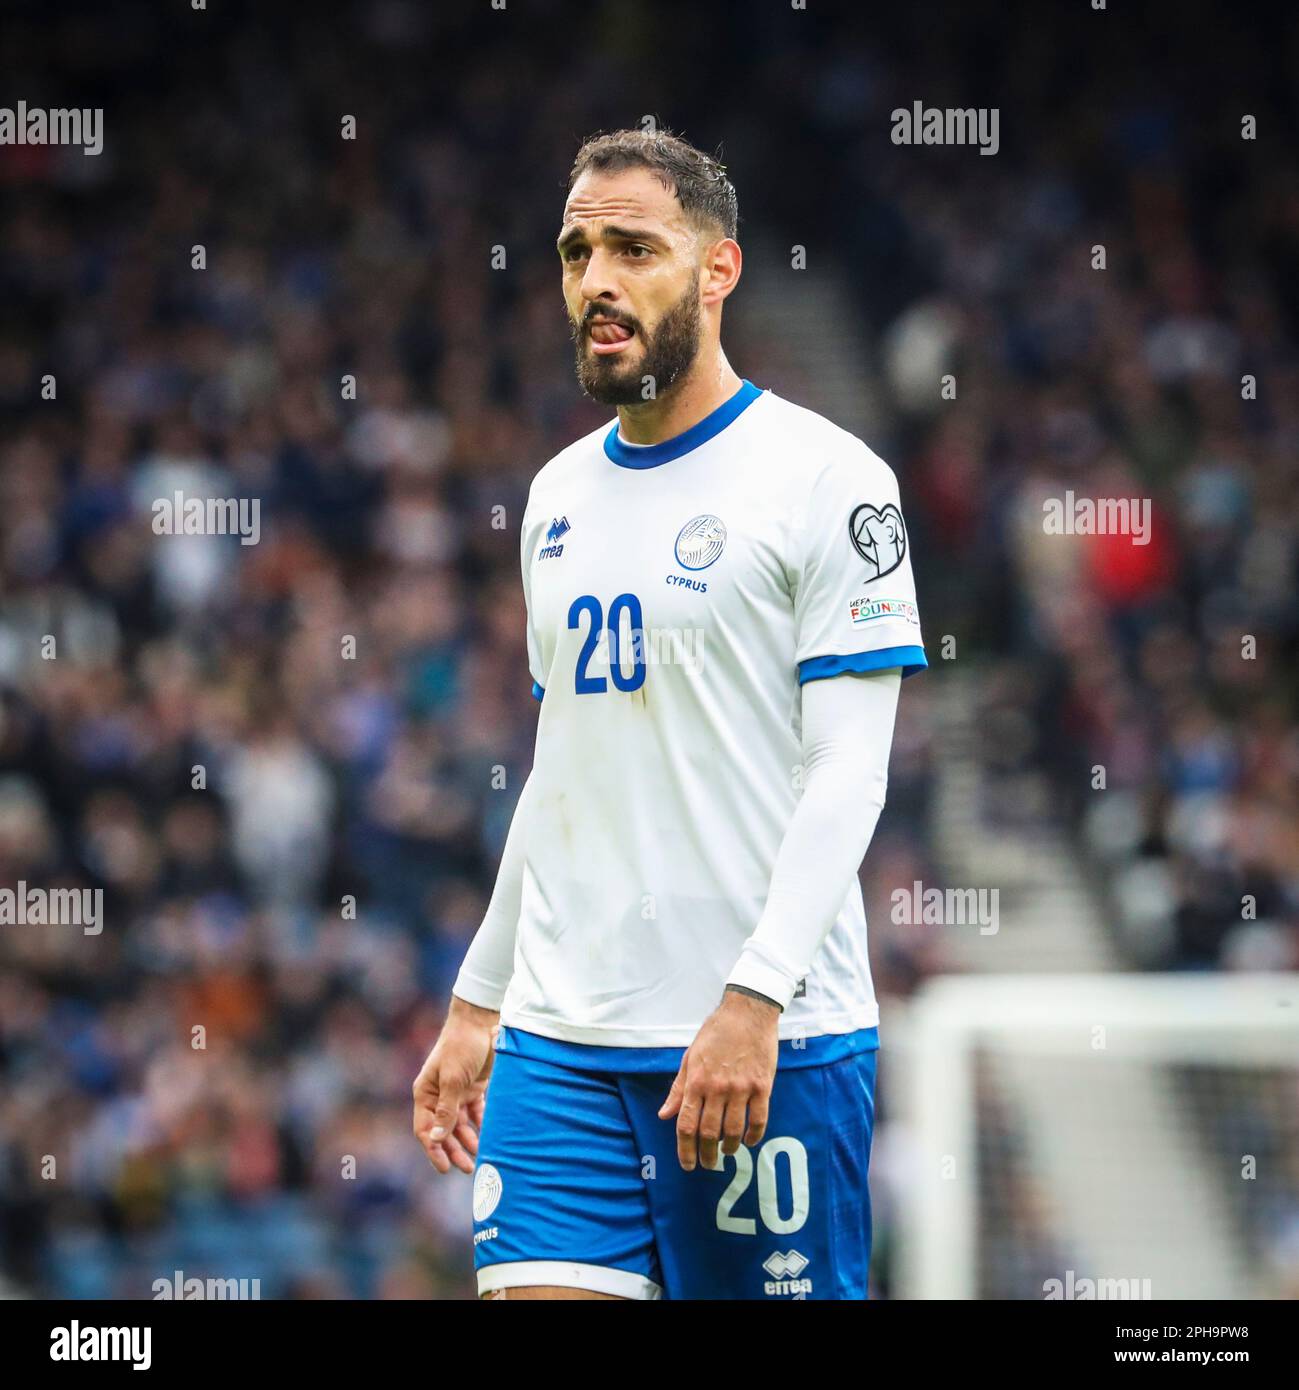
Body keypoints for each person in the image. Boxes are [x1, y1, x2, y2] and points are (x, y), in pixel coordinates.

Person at [412, 128, 926, 1300]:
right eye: (576, 251)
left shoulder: (828, 480)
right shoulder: (555, 496)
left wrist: (755, 998)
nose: (596, 280)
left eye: (633, 248)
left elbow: (848, 773)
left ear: (716, 269)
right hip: (564, 1046)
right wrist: (479, 998)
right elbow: (564, 772)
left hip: (765, 1041)